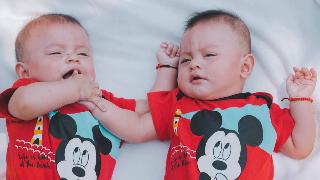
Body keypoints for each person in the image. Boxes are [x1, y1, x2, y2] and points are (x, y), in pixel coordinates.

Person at [82, 10, 317, 180]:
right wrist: (98, 104)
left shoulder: (262, 111)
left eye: (209, 55)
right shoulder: (181, 106)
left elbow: (300, 146)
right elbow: (136, 128)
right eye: (186, 59)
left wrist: (300, 99)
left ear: (244, 67)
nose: (194, 64)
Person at [0, 13, 179, 179]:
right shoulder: (28, 89)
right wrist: (74, 89)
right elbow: (23, 105)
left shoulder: (100, 100)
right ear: (24, 72)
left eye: (82, 53)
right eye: (56, 52)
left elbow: (150, 107)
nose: (73, 58)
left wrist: (167, 69)